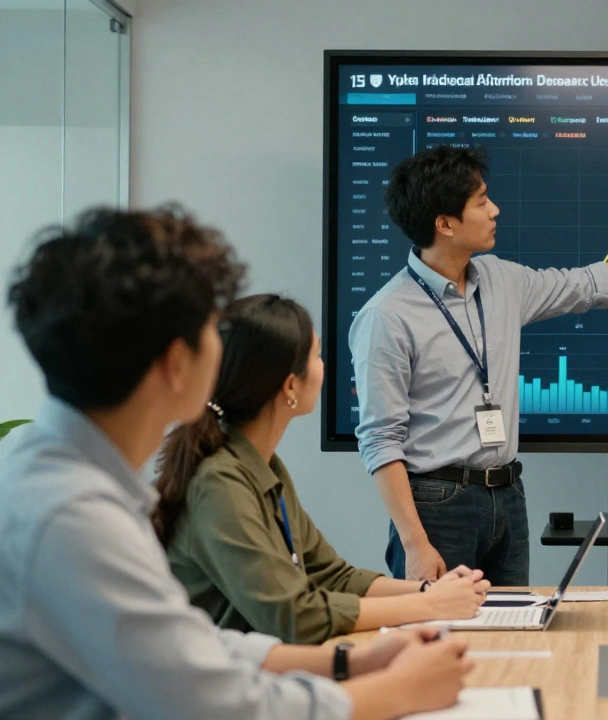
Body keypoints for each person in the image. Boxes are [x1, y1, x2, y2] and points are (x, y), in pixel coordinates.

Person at [0, 206, 471, 720]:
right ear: (175, 363)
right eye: (210, 329)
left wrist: (343, 663)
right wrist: (398, 690)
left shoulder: (65, 481)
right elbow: (211, 703)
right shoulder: (71, 517)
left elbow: (189, 645)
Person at [351, 144, 608, 585]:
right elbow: (381, 441)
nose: (495, 209)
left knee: (515, 636)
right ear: (444, 224)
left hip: (507, 495)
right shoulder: (386, 317)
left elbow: (590, 284)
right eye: (481, 202)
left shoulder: (500, 279)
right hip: (438, 506)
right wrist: (415, 544)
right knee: (446, 639)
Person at [154, 294, 490, 644]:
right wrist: (429, 606)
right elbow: (294, 616)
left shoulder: (265, 466)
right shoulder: (219, 484)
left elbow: (333, 577)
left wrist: (426, 592)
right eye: (316, 355)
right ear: (289, 386)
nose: (325, 364)